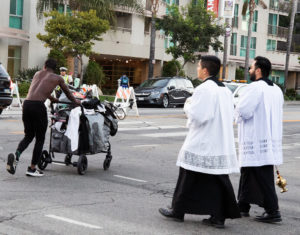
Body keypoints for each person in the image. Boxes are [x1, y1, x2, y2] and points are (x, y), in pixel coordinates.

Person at [158, 55, 241, 229]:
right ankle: (218, 216)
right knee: (216, 180)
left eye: (198, 67)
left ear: (205, 70)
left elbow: (198, 116)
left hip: (203, 140)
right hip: (219, 141)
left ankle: (178, 211)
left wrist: (187, 105)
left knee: (188, 174)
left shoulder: (204, 89)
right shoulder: (225, 90)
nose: (197, 69)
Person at [6, 59, 81, 177]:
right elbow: (68, 93)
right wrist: (76, 102)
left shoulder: (37, 74)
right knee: (40, 139)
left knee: (29, 135)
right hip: (38, 106)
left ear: (45, 66)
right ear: (55, 69)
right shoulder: (58, 78)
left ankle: (16, 156)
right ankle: (32, 168)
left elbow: (39, 91)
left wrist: (52, 99)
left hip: (27, 104)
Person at [235, 56, 284, 223]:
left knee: (262, 176)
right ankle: (242, 206)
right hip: (269, 137)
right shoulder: (276, 89)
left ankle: (273, 211)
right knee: (248, 172)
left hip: (255, 137)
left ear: (258, 70)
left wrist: (236, 112)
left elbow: (243, 110)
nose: (249, 70)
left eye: (250, 68)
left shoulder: (255, 87)